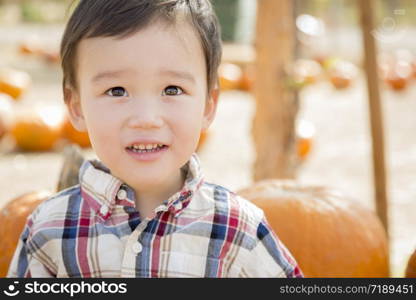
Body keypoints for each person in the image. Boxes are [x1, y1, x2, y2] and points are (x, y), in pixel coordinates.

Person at [8, 0, 303, 278]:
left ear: (208, 105)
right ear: (76, 106)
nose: (146, 118)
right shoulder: (50, 228)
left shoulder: (238, 230)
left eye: (172, 89)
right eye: (117, 91)